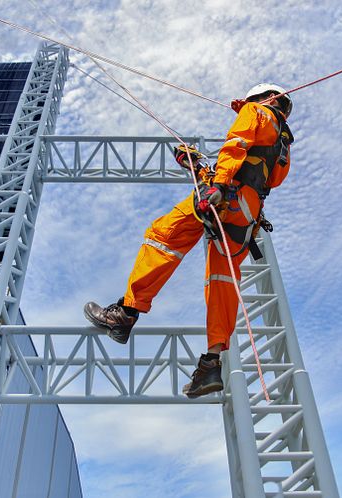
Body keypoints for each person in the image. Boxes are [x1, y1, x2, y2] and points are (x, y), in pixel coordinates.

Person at [84, 83, 294, 398]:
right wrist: (198, 168)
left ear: (262, 98)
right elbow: (258, 173)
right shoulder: (282, 144)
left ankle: (126, 313)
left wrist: (218, 184)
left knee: (164, 236)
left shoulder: (257, 112)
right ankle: (211, 363)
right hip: (247, 212)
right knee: (222, 279)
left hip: (230, 197)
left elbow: (236, 145)